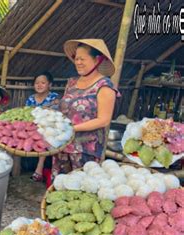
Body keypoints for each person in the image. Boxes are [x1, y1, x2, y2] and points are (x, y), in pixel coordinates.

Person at [52, 39, 119, 176]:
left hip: (86, 150)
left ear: (97, 60)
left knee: (81, 189)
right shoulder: (71, 82)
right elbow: (65, 109)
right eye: (76, 59)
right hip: (63, 145)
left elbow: (103, 120)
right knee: (59, 189)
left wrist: (72, 129)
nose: (78, 62)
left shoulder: (104, 85)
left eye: (82, 59)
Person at [24, 72, 59, 182]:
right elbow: (26, 114)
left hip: (50, 127)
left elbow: (55, 114)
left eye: (43, 83)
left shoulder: (54, 97)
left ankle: (39, 169)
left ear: (50, 85)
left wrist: (43, 109)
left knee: (44, 134)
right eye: (37, 83)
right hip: (32, 126)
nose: (39, 85)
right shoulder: (31, 98)